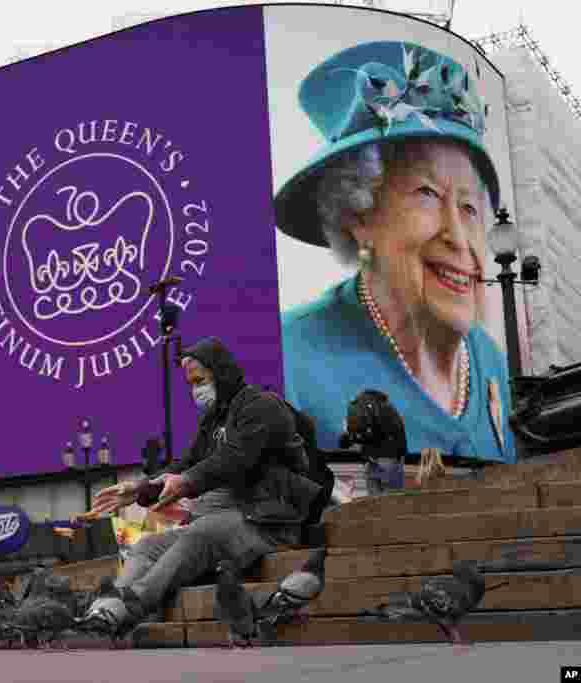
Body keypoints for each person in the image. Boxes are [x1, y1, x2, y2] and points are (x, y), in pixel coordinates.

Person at [273, 41, 516, 463]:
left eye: (469, 205)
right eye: (427, 193)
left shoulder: (489, 360)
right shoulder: (290, 358)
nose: (460, 238)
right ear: (358, 215)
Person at [79, 337, 322, 633]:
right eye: (191, 383)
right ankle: (104, 608)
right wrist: (140, 489)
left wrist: (187, 481)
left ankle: (130, 607)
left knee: (201, 531)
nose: (196, 389)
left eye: (199, 380)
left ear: (222, 374)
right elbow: (188, 462)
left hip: (269, 521)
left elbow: (235, 458)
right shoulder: (214, 418)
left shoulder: (261, 406)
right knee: (146, 546)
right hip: (231, 517)